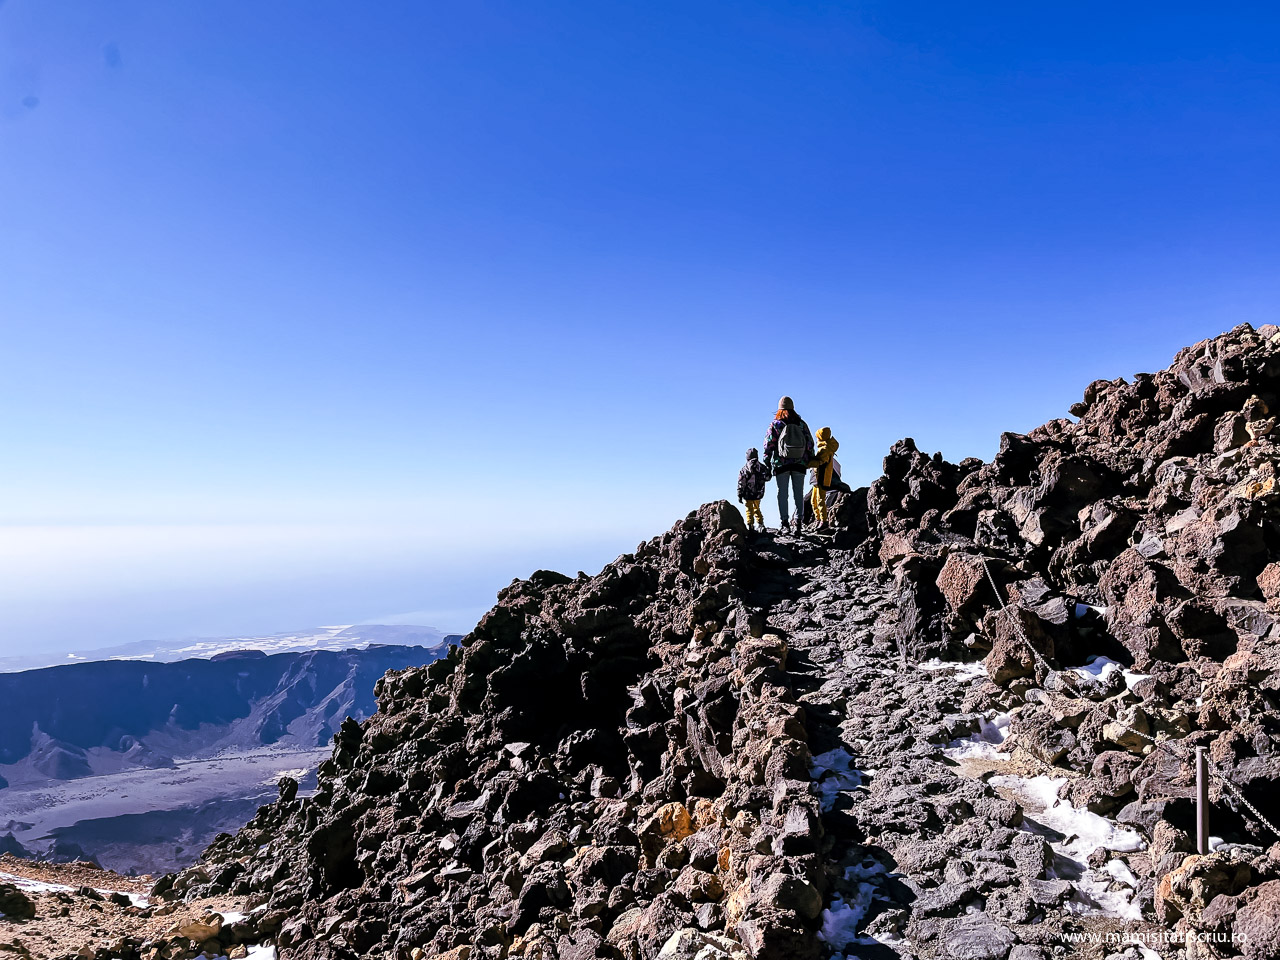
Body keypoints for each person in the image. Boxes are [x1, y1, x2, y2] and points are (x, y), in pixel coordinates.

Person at [763, 396, 814, 533]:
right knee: (798, 493)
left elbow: (768, 445)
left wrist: (767, 463)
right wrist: (810, 459)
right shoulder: (801, 424)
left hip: (781, 464)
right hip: (800, 463)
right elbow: (809, 443)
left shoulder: (775, 424)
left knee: (782, 493)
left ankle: (784, 523)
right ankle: (798, 523)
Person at [808, 426, 840, 528]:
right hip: (817, 478)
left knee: (819, 500)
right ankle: (819, 520)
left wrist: (807, 463)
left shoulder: (824, 449)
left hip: (821, 478)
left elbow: (820, 462)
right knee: (814, 500)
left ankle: (823, 521)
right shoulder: (825, 447)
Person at [737, 447, 770, 532]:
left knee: (749, 509)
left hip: (747, 494)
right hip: (758, 493)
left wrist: (739, 494)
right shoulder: (762, 467)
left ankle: (750, 525)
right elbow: (767, 478)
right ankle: (760, 524)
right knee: (756, 508)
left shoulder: (744, 469)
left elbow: (741, 483)